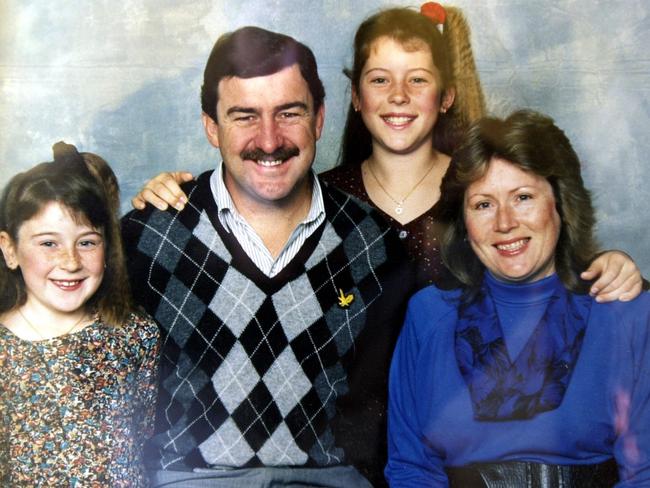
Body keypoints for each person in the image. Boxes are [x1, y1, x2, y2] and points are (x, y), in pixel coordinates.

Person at [130, 3, 643, 300]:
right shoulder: (319, 197)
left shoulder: (478, 189)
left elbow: (543, 257)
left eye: (416, 80)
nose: (398, 97)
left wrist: (614, 266)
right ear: (355, 96)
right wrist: (178, 192)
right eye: (380, 80)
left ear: (446, 96)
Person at [121, 26, 414, 487]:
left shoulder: (374, 245)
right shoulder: (147, 237)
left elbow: (396, 417)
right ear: (211, 127)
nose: (270, 139)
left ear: (319, 118)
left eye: (289, 112)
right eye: (244, 116)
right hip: (192, 480)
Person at [386, 110, 650, 487]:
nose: (505, 222)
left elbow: (645, 474)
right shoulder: (428, 315)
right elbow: (411, 468)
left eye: (523, 197)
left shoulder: (628, 312)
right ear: (463, 221)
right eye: (483, 204)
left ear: (561, 203)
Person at [0, 142, 160, 486]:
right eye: (48, 243)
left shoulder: (134, 333)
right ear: (10, 250)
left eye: (86, 242)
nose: (70, 262)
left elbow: (144, 430)